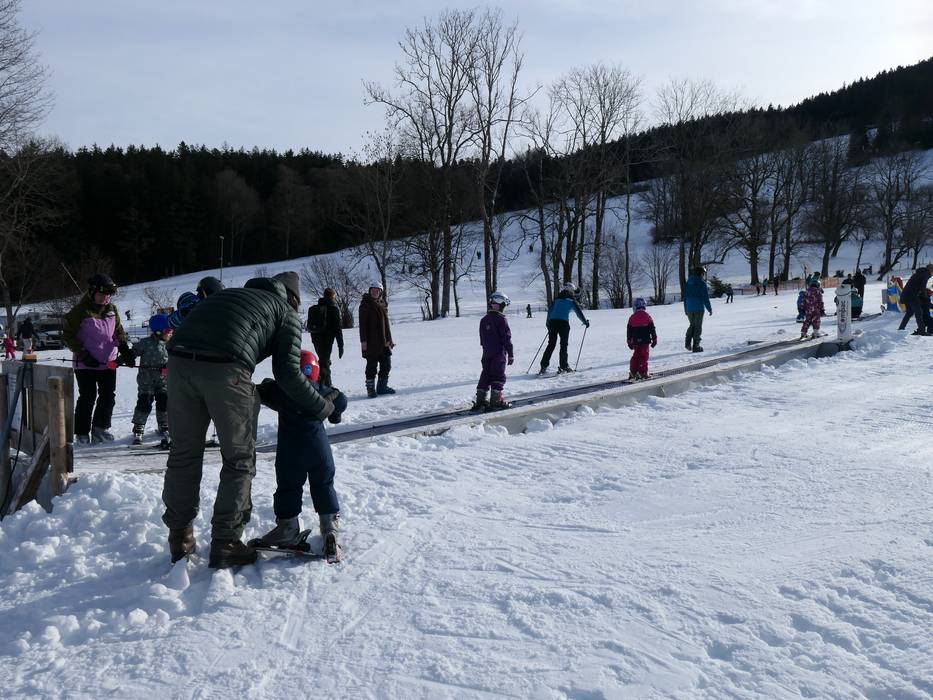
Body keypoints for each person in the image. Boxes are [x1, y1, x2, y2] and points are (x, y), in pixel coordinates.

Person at [161, 271, 338, 569]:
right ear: (293, 299)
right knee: (239, 458)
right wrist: (322, 406)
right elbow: (289, 375)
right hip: (226, 367)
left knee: (184, 453)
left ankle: (180, 537)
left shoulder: (228, 295)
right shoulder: (285, 311)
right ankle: (226, 542)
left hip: (178, 363)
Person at [250, 349, 347, 561]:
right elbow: (342, 401)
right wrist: (334, 402)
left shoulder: (281, 391)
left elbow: (261, 391)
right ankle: (330, 527)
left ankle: (287, 527)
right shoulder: (321, 390)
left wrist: (269, 383)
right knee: (323, 485)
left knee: (288, 487)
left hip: (291, 452)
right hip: (319, 451)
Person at [63, 274, 135, 444]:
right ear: (92, 292)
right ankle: (82, 432)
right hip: (86, 363)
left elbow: (118, 331)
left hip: (108, 362)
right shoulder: (80, 311)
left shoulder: (112, 309)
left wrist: (124, 349)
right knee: (87, 397)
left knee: (108, 396)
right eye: (102, 294)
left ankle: (100, 429)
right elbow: (68, 335)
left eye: (108, 294)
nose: (106, 298)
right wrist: (83, 353)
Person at [131, 314, 172, 447]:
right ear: (158, 331)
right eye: (168, 331)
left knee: (164, 401)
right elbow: (132, 353)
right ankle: (139, 426)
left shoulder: (171, 344)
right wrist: (122, 360)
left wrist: (170, 367)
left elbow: (177, 359)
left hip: (163, 380)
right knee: (145, 401)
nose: (170, 333)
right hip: (146, 380)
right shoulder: (145, 343)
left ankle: (164, 424)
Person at [474, 291, 514, 411]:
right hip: (498, 353)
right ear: (502, 305)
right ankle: (496, 400)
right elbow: (506, 338)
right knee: (498, 375)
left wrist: (486, 348)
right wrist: (510, 354)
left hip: (486, 353)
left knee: (486, 374)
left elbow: (482, 339)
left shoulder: (484, 319)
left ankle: (481, 400)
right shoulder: (501, 320)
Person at [538, 283, 589, 374]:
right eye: (573, 291)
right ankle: (564, 366)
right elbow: (578, 312)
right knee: (563, 345)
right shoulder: (571, 299)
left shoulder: (557, 298)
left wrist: (548, 322)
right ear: (571, 290)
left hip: (553, 322)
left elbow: (550, 310)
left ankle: (543, 366)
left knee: (551, 344)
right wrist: (585, 322)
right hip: (563, 323)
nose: (573, 293)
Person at [358, 281, 395, 398]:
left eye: (377, 290)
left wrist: (390, 339)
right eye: (373, 290)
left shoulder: (382, 304)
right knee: (371, 366)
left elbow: (386, 325)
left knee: (386, 365)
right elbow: (362, 325)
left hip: (384, 341)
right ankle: (370, 389)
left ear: (380, 292)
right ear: (370, 291)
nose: (375, 292)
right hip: (371, 341)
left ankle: (382, 387)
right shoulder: (365, 304)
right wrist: (363, 341)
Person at [306, 287, 344, 387]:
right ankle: (326, 386)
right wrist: (340, 345)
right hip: (327, 340)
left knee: (323, 361)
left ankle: (322, 384)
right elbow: (338, 329)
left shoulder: (316, 308)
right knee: (325, 363)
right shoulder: (333, 309)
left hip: (315, 339)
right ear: (333, 296)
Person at [896, 264, 933, 334]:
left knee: (909, 313)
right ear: (930, 270)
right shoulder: (925, 274)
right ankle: (921, 331)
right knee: (918, 312)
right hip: (912, 295)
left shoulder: (920, 273)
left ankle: (901, 328)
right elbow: (923, 287)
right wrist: (925, 297)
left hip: (906, 294)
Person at [627, 297, 657, 380]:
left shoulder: (632, 317)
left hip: (635, 341)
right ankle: (642, 372)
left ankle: (633, 372)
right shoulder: (647, 316)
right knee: (643, 356)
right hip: (645, 341)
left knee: (636, 356)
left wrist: (629, 341)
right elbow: (652, 329)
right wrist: (654, 339)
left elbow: (629, 331)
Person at [684, 266, 712, 353]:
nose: (703, 275)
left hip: (689, 307)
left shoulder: (688, 282)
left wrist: (686, 309)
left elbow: (685, 297)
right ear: (701, 273)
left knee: (692, 325)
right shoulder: (701, 283)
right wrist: (709, 309)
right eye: (703, 273)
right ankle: (696, 345)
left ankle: (687, 342)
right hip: (698, 307)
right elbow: (705, 297)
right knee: (698, 326)